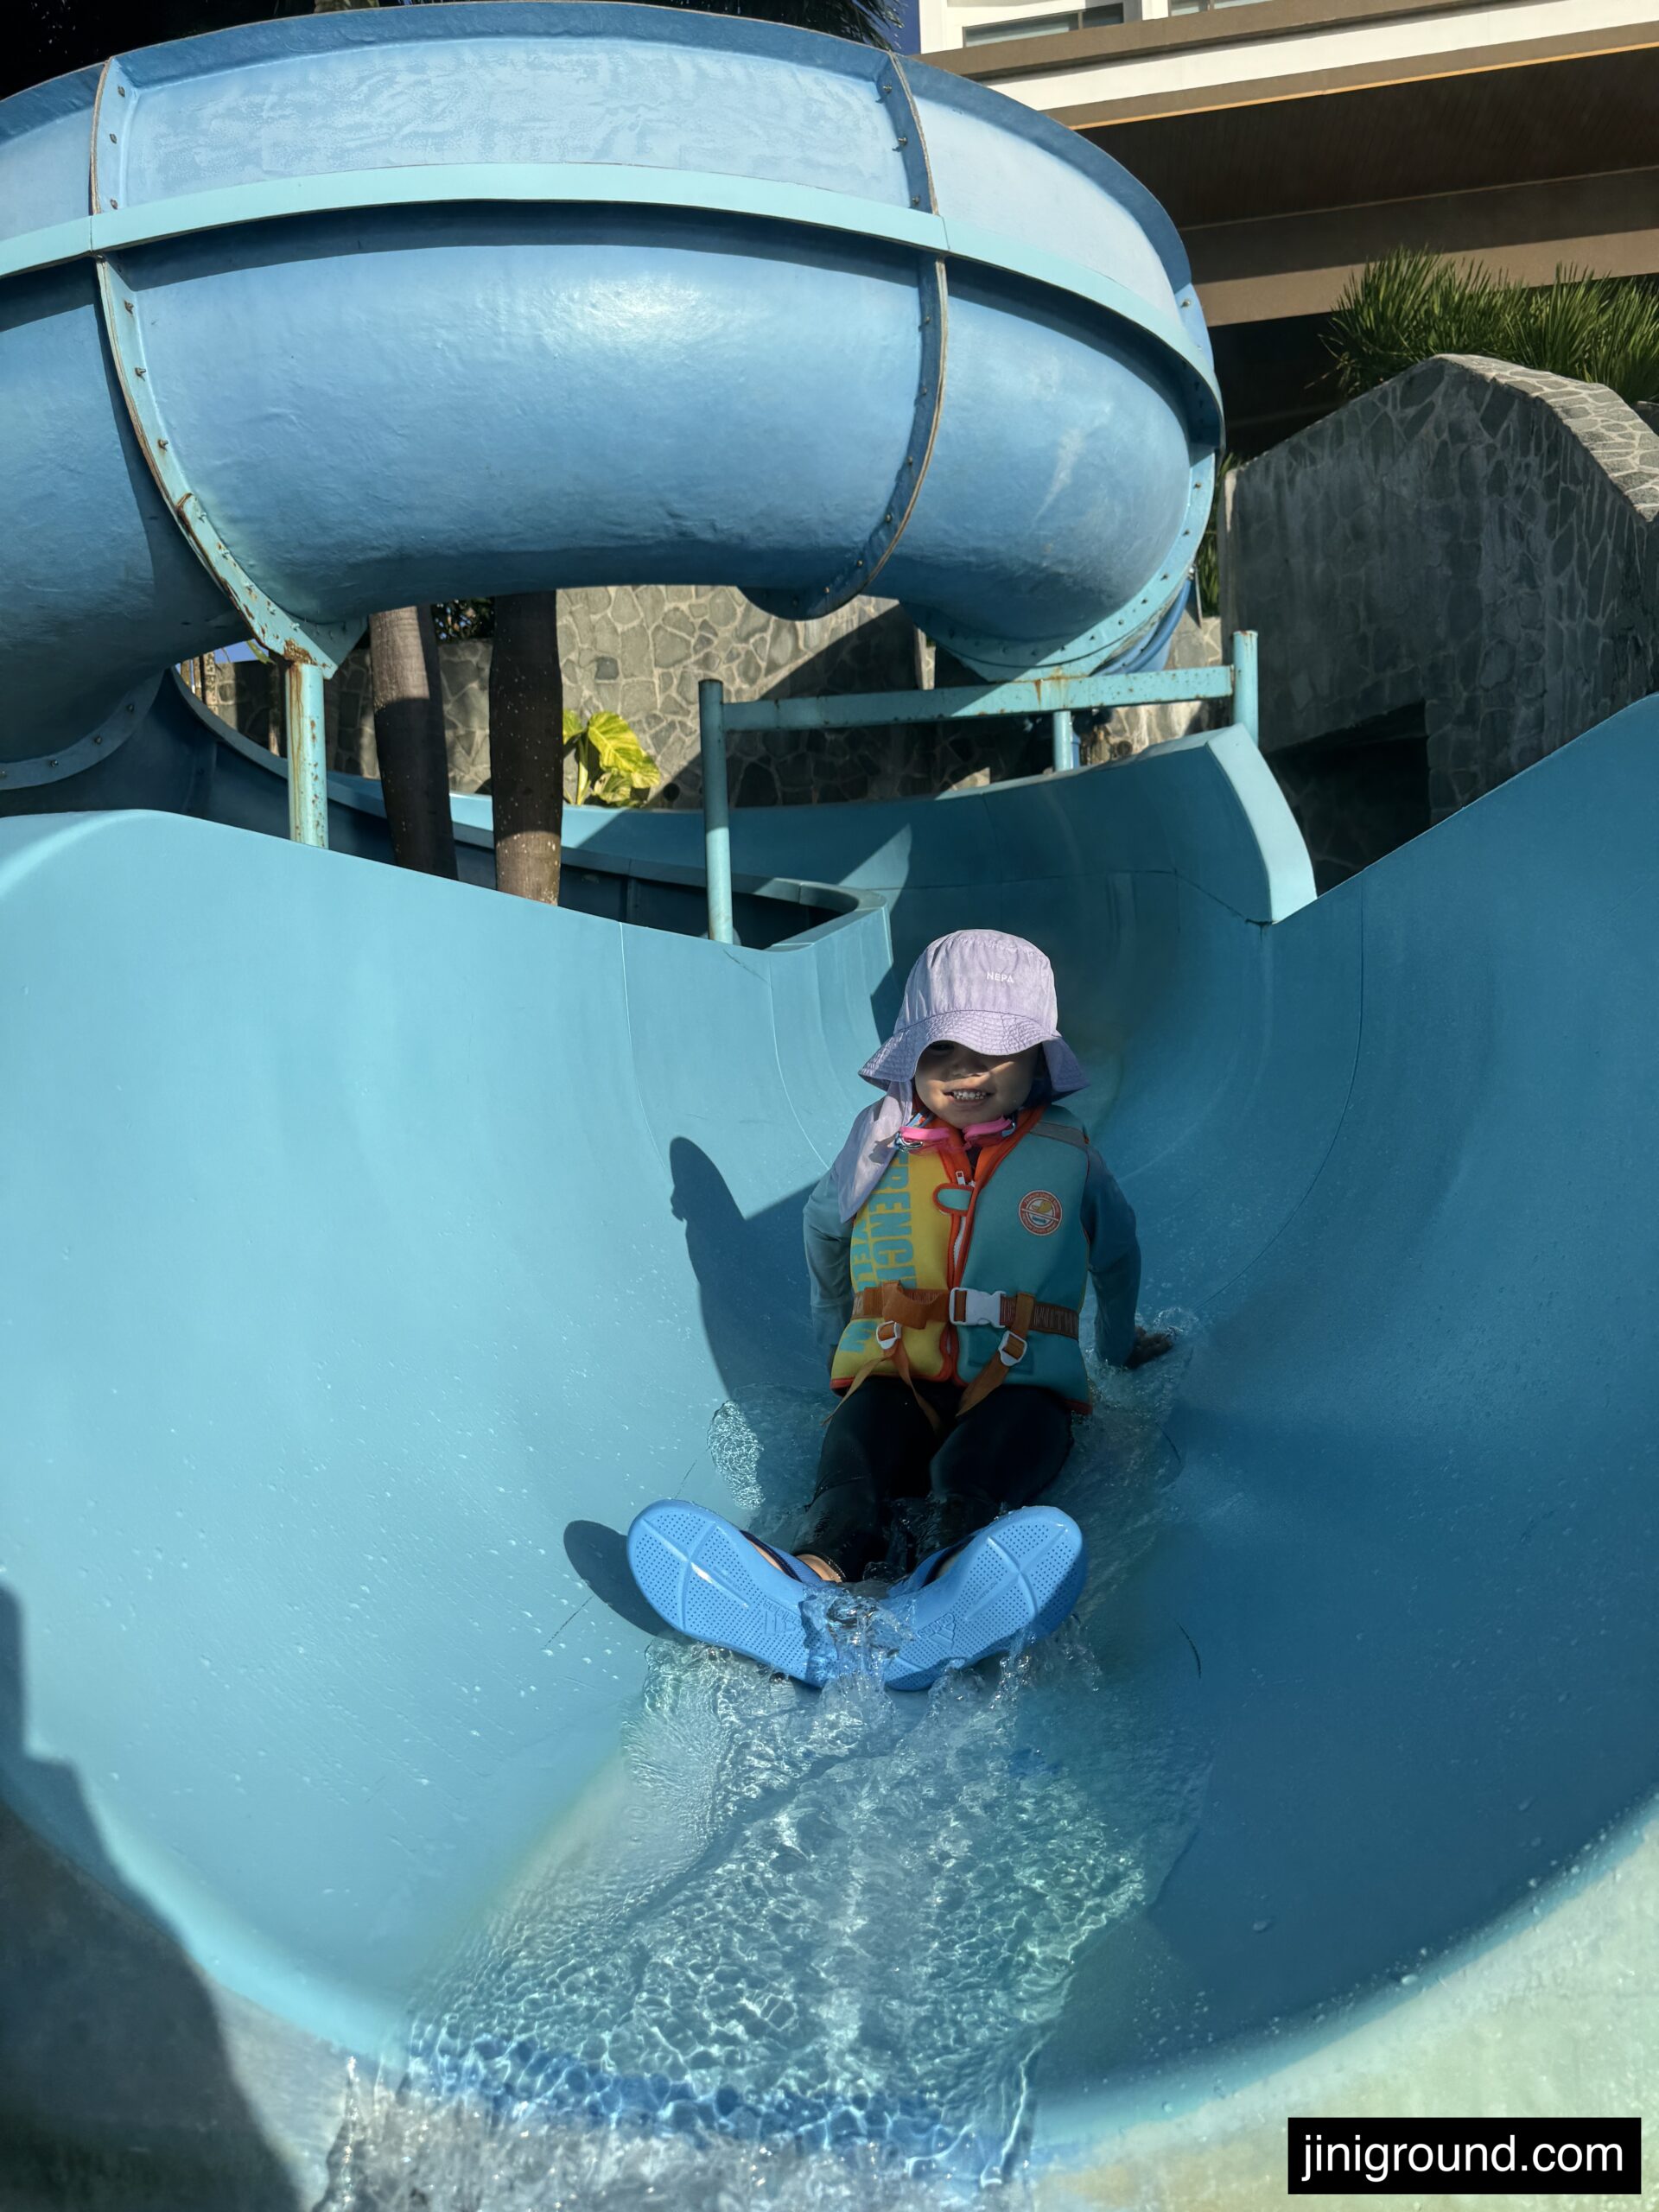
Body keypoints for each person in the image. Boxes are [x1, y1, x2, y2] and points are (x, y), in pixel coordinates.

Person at [628, 930, 1169, 1691]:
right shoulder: (881, 1141)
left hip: (1021, 1387)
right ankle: (805, 1582)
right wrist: (840, 1348)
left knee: (969, 1471)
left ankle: (950, 1586)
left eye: (995, 1052)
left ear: (1039, 1063)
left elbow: (1117, 1254)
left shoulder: (1069, 1155)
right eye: (942, 1051)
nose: (966, 1071)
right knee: (857, 1468)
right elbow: (825, 1229)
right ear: (912, 1059)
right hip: (898, 1372)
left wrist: (1117, 1347)